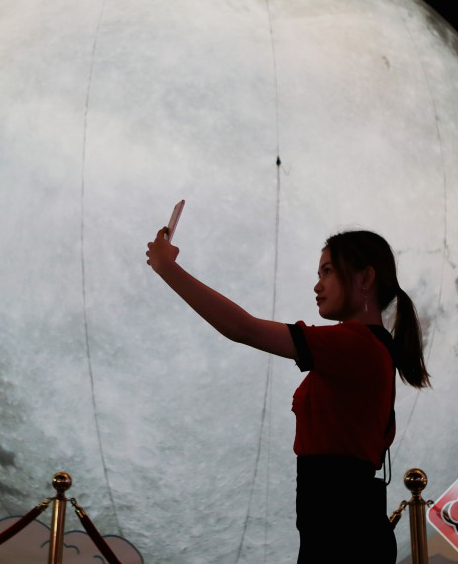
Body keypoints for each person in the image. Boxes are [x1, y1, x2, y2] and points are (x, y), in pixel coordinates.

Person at [146, 226, 431, 563]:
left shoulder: (357, 344)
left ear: (366, 278)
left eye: (328, 271)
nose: (317, 285)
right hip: (342, 530)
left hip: (342, 536)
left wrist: (168, 268)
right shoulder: (364, 347)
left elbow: (243, 328)